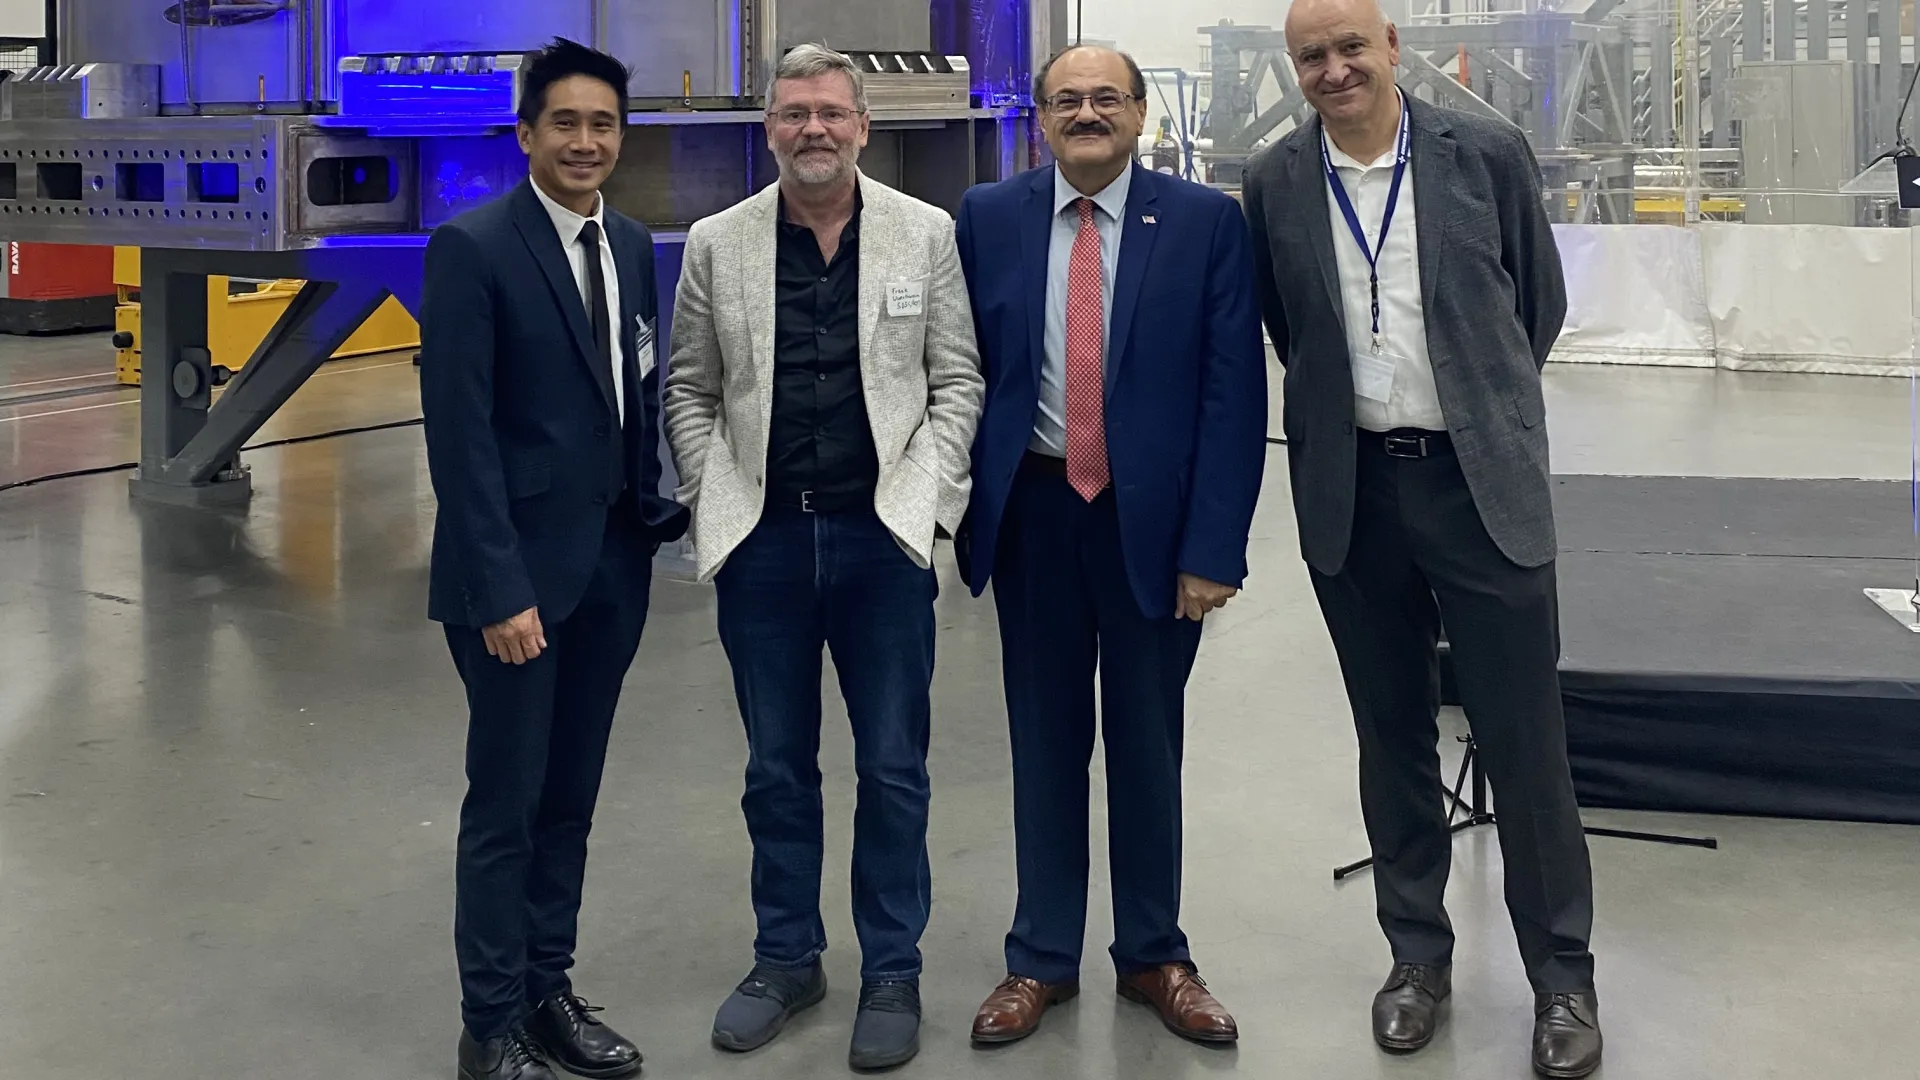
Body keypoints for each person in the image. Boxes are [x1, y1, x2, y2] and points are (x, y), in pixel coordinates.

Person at [1240, 0, 1602, 1076]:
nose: (1335, 69)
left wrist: (1479, 416)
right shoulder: (1274, 182)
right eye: (1313, 55)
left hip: (1477, 488)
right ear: (1293, 69)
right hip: (1356, 495)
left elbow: (1536, 306)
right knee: (1389, 734)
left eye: (1352, 47)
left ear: (1392, 49)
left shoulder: (1483, 153)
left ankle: (1563, 979)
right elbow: (1284, 325)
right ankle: (1415, 957)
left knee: (1526, 744)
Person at [663, 43, 984, 1073]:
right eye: (794, 113)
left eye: (831, 114)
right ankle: (786, 956)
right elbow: (689, 388)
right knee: (774, 769)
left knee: (893, 767)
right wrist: (723, 502)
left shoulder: (923, 233)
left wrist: (923, 508)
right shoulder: (720, 242)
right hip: (763, 543)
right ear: (770, 130)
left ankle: (892, 967)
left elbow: (956, 384)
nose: (814, 130)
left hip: (880, 541)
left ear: (862, 127)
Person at [954, 44, 1267, 1048]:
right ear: (1040, 118)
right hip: (1035, 518)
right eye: (1067, 100)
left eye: (1106, 99)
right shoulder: (987, 219)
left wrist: (1214, 546)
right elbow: (958, 372)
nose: (1087, 113)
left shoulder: (1208, 224)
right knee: (1043, 743)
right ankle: (1040, 956)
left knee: (1146, 742)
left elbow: (1234, 395)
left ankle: (1153, 955)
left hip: (1152, 526)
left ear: (1140, 115)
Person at [419, 37, 687, 1080]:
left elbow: (634, 391)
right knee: (507, 804)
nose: (586, 141)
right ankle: (489, 1028)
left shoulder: (626, 242)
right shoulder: (474, 247)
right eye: (565, 123)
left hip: (610, 567)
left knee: (570, 798)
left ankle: (546, 991)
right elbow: (462, 435)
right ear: (526, 134)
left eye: (603, 124)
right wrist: (500, 588)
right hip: (516, 585)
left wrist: (653, 516)